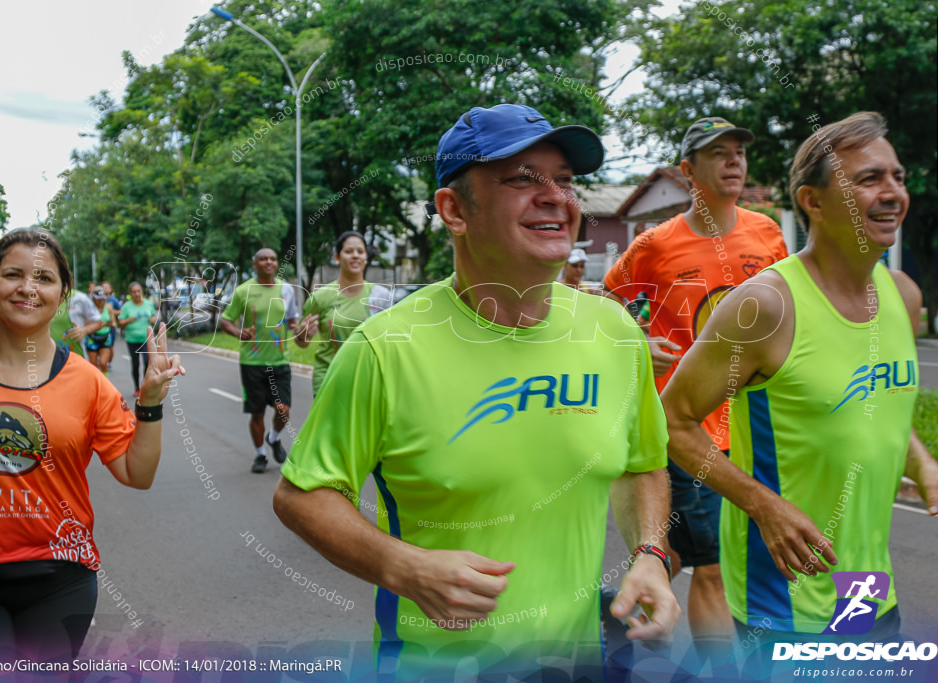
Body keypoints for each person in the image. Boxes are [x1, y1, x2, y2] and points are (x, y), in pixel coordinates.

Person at [273, 104, 680, 680]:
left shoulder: (613, 332)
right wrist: (402, 566)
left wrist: (650, 555)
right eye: (521, 180)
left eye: (563, 181)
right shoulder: (385, 349)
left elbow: (642, 465)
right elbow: (302, 495)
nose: (556, 198)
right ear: (454, 210)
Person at [659, 112, 938, 677]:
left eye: (897, 176)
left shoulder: (902, 296)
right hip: (785, 595)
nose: (893, 193)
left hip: (867, 584)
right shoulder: (765, 308)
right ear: (813, 202)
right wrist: (762, 505)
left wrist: (923, 465)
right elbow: (672, 421)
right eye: (869, 179)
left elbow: (875, 404)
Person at [0, 227, 183, 669]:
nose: (27, 289)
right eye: (13, 274)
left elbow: (137, 474)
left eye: (44, 278)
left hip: (61, 579)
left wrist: (149, 404)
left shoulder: (89, 381)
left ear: (63, 293)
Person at [603, 116, 788, 667]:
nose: (734, 161)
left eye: (739, 151)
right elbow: (611, 304)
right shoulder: (655, 245)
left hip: (750, 427)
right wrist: (640, 343)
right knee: (713, 567)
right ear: (688, 172)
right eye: (718, 153)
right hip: (685, 427)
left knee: (679, 555)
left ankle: (618, 615)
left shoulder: (767, 233)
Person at [219, 248, 299, 473]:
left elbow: (292, 317)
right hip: (252, 363)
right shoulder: (244, 291)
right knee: (257, 413)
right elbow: (226, 320)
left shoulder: (287, 289)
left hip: (280, 360)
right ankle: (260, 455)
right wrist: (238, 332)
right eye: (263, 259)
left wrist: (295, 326)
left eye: (273, 258)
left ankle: (273, 438)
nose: (269, 262)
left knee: (283, 409)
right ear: (255, 264)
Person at [293, 231, 392, 396]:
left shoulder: (380, 296)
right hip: (328, 378)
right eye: (349, 251)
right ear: (337, 257)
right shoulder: (320, 297)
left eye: (360, 252)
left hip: (366, 379)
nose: (355, 256)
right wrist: (303, 335)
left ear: (366, 257)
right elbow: (301, 342)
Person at [118, 282, 159, 398]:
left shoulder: (149, 304)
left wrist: (153, 319)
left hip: (147, 339)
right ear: (130, 294)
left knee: (147, 362)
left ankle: (144, 385)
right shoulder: (126, 307)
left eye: (138, 291)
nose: (137, 294)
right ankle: (137, 386)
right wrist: (128, 320)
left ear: (142, 292)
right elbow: (120, 322)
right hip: (132, 339)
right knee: (135, 364)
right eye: (134, 292)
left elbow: (154, 316)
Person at [85, 289, 116, 375]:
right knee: (93, 365)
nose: (100, 301)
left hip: (105, 337)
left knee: (103, 363)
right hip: (92, 338)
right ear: (93, 298)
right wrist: (102, 325)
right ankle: (95, 384)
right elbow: (86, 325)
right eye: (98, 298)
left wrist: (111, 324)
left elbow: (114, 323)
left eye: (102, 298)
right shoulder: (89, 309)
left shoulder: (108, 308)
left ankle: (104, 385)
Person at [102, 281, 122, 369]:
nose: (104, 289)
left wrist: (111, 312)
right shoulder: (97, 299)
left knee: (110, 346)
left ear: (110, 289)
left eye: (106, 287)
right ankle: (102, 360)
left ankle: (108, 362)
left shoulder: (113, 300)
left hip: (111, 326)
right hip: (100, 327)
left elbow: (120, 311)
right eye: (103, 287)